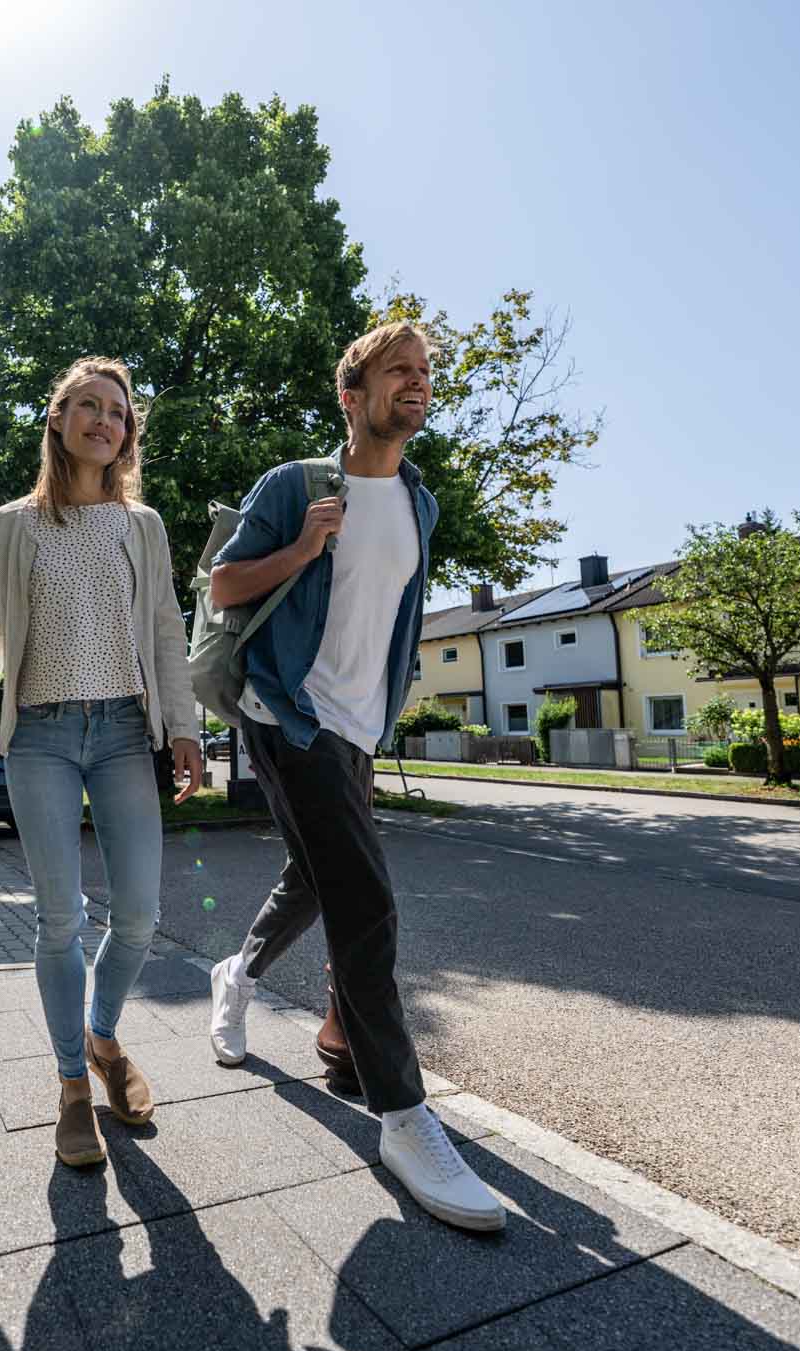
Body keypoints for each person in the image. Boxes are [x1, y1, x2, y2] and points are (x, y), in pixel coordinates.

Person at [203, 322, 507, 1232]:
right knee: (366, 897)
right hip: (287, 712)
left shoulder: (422, 503)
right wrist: (300, 550)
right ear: (353, 392)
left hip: (359, 728)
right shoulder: (296, 485)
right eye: (396, 371)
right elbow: (222, 587)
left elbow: (393, 615)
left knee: (318, 875)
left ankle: (246, 976)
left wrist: (384, 706)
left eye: (423, 373)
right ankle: (402, 1114)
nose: (415, 384)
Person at [0, 356, 205, 1169]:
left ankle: (101, 1035)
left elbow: (166, 630)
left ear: (128, 432)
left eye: (117, 411)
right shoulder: (10, 526)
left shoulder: (145, 526)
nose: (104, 420)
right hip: (43, 739)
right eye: (87, 405)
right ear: (58, 419)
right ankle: (70, 1086)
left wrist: (186, 726)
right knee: (61, 919)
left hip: (127, 732)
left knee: (139, 915)